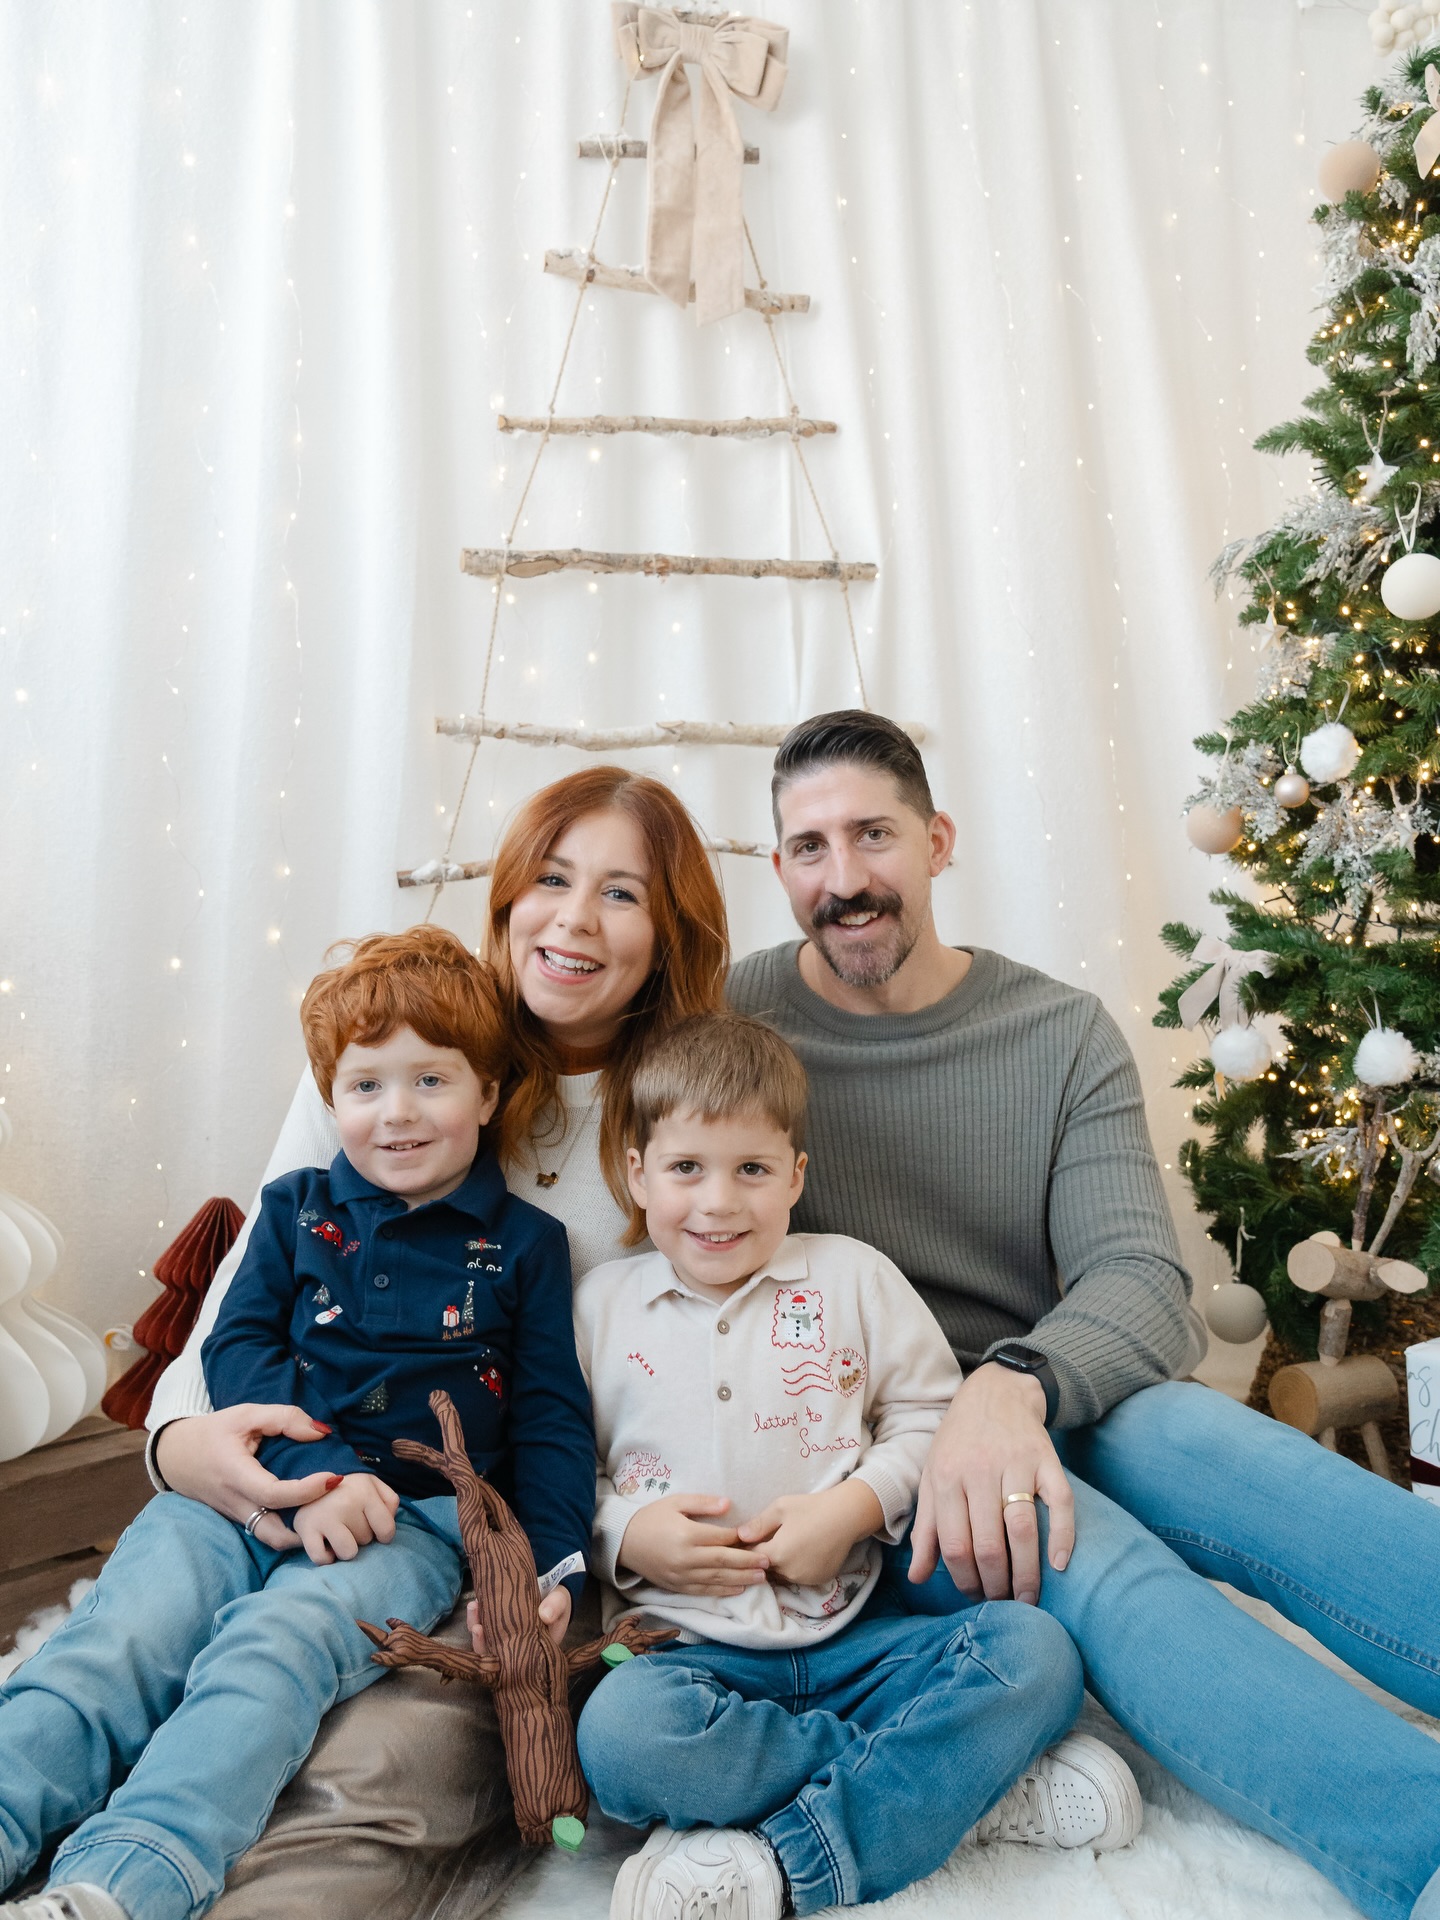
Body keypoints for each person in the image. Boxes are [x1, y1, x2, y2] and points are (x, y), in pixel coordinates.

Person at [726, 708, 1440, 1920]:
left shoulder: (1056, 1032)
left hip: (1045, 1389)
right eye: (807, 848)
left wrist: (1009, 1386)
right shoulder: (734, 1028)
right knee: (1095, 1562)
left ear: (939, 841)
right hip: (880, 1457)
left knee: (1211, 1441)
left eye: (873, 836)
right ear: (777, 866)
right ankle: (1419, 1842)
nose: (842, 881)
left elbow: (1136, 1282)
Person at [128, 767, 731, 1919]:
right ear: (504, 902)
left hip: (538, 1537)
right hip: (319, 1484)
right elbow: (244, 1311)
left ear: (668, 936)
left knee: (378, 1771)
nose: (571, 919)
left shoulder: (688, 1110)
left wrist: (569, 1559)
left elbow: (676, 1389)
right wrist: (180, 1449)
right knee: (161, 1660)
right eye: (548, 881)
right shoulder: (399, 1050)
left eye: (621, 894)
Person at [0, 928, 595, 1920]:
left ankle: (123, 1878)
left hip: (412, 1523)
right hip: (249, 1488)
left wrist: (548, 1569)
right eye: (365, 1086)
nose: (396, 1113)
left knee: (271, 1650)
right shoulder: (295, 1210)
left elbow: (549, 1416)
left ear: (488, 1094)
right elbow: (235, 1351)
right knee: (123, 1635)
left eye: (430, 1081)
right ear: (331, 1100)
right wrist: (307, 1470)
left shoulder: (527, 1246)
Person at [571, 1010, 1140, 1920]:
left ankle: (792, 1852)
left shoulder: (852, 1277)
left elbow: (932, 1423)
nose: (718, 1202)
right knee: (620, 1743)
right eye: (686, 1169)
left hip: (860, 1637)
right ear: (637, 1174)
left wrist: (850, 1512)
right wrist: (629, 1534)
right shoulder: (598, 1305)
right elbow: (565, 1471)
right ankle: (955, 1789)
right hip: (684, 1660)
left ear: (796, 1176)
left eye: (751, 1169)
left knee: (1036, 1655)